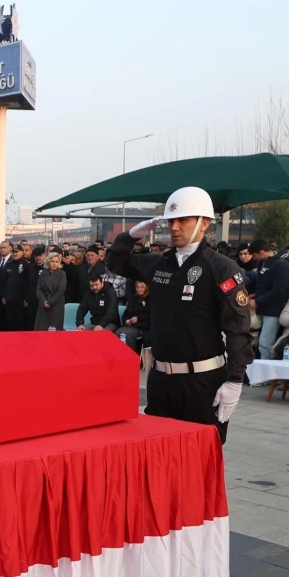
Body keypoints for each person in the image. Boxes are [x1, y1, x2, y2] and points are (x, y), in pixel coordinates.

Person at [108, 186, 252, 444]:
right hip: (161, 380)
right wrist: (130, 236)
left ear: (204, 223)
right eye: (171, 220)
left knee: (200, 460)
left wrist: (235, 380)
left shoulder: (220, 266)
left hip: (203, 382)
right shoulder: (158, 263)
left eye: (182, 220)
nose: (174, 227)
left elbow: (237, 326)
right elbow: (114, 263)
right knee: (159, 458)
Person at [250, 240, 289, 359]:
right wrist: (254, 296)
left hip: (274, 311)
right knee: (259, 343)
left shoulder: (280, 264)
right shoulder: (265, 263)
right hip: (263, 308)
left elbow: (278, 290)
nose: (254, 259)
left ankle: (266, 375)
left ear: (261, 252)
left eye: (255, 255)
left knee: (265, 344)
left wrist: (257, 301)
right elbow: (264, 286)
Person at [34, 252, 67, 331]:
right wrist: (44, 301)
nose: (54, 264)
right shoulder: (43, 273)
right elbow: (39, 289)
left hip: (56, 304)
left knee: (55, 329)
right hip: (44, 304)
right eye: (52, 261)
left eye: (56, 262)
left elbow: (60, 290)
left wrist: (50, 302)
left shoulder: (62, 274)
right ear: (48, 262)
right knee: (41, 328)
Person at [118, 280, 151, 352]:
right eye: (138, 287)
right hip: (130, 325)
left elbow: (149, 315)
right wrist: (126, 320)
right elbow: (126, 313)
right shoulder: (132, 299)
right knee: (118, 333)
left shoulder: (150, 300)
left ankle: (132, 355)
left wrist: (138, 318)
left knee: (127, 335)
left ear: (146, 288)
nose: (139, 289)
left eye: (142, 287)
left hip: (142, 327)